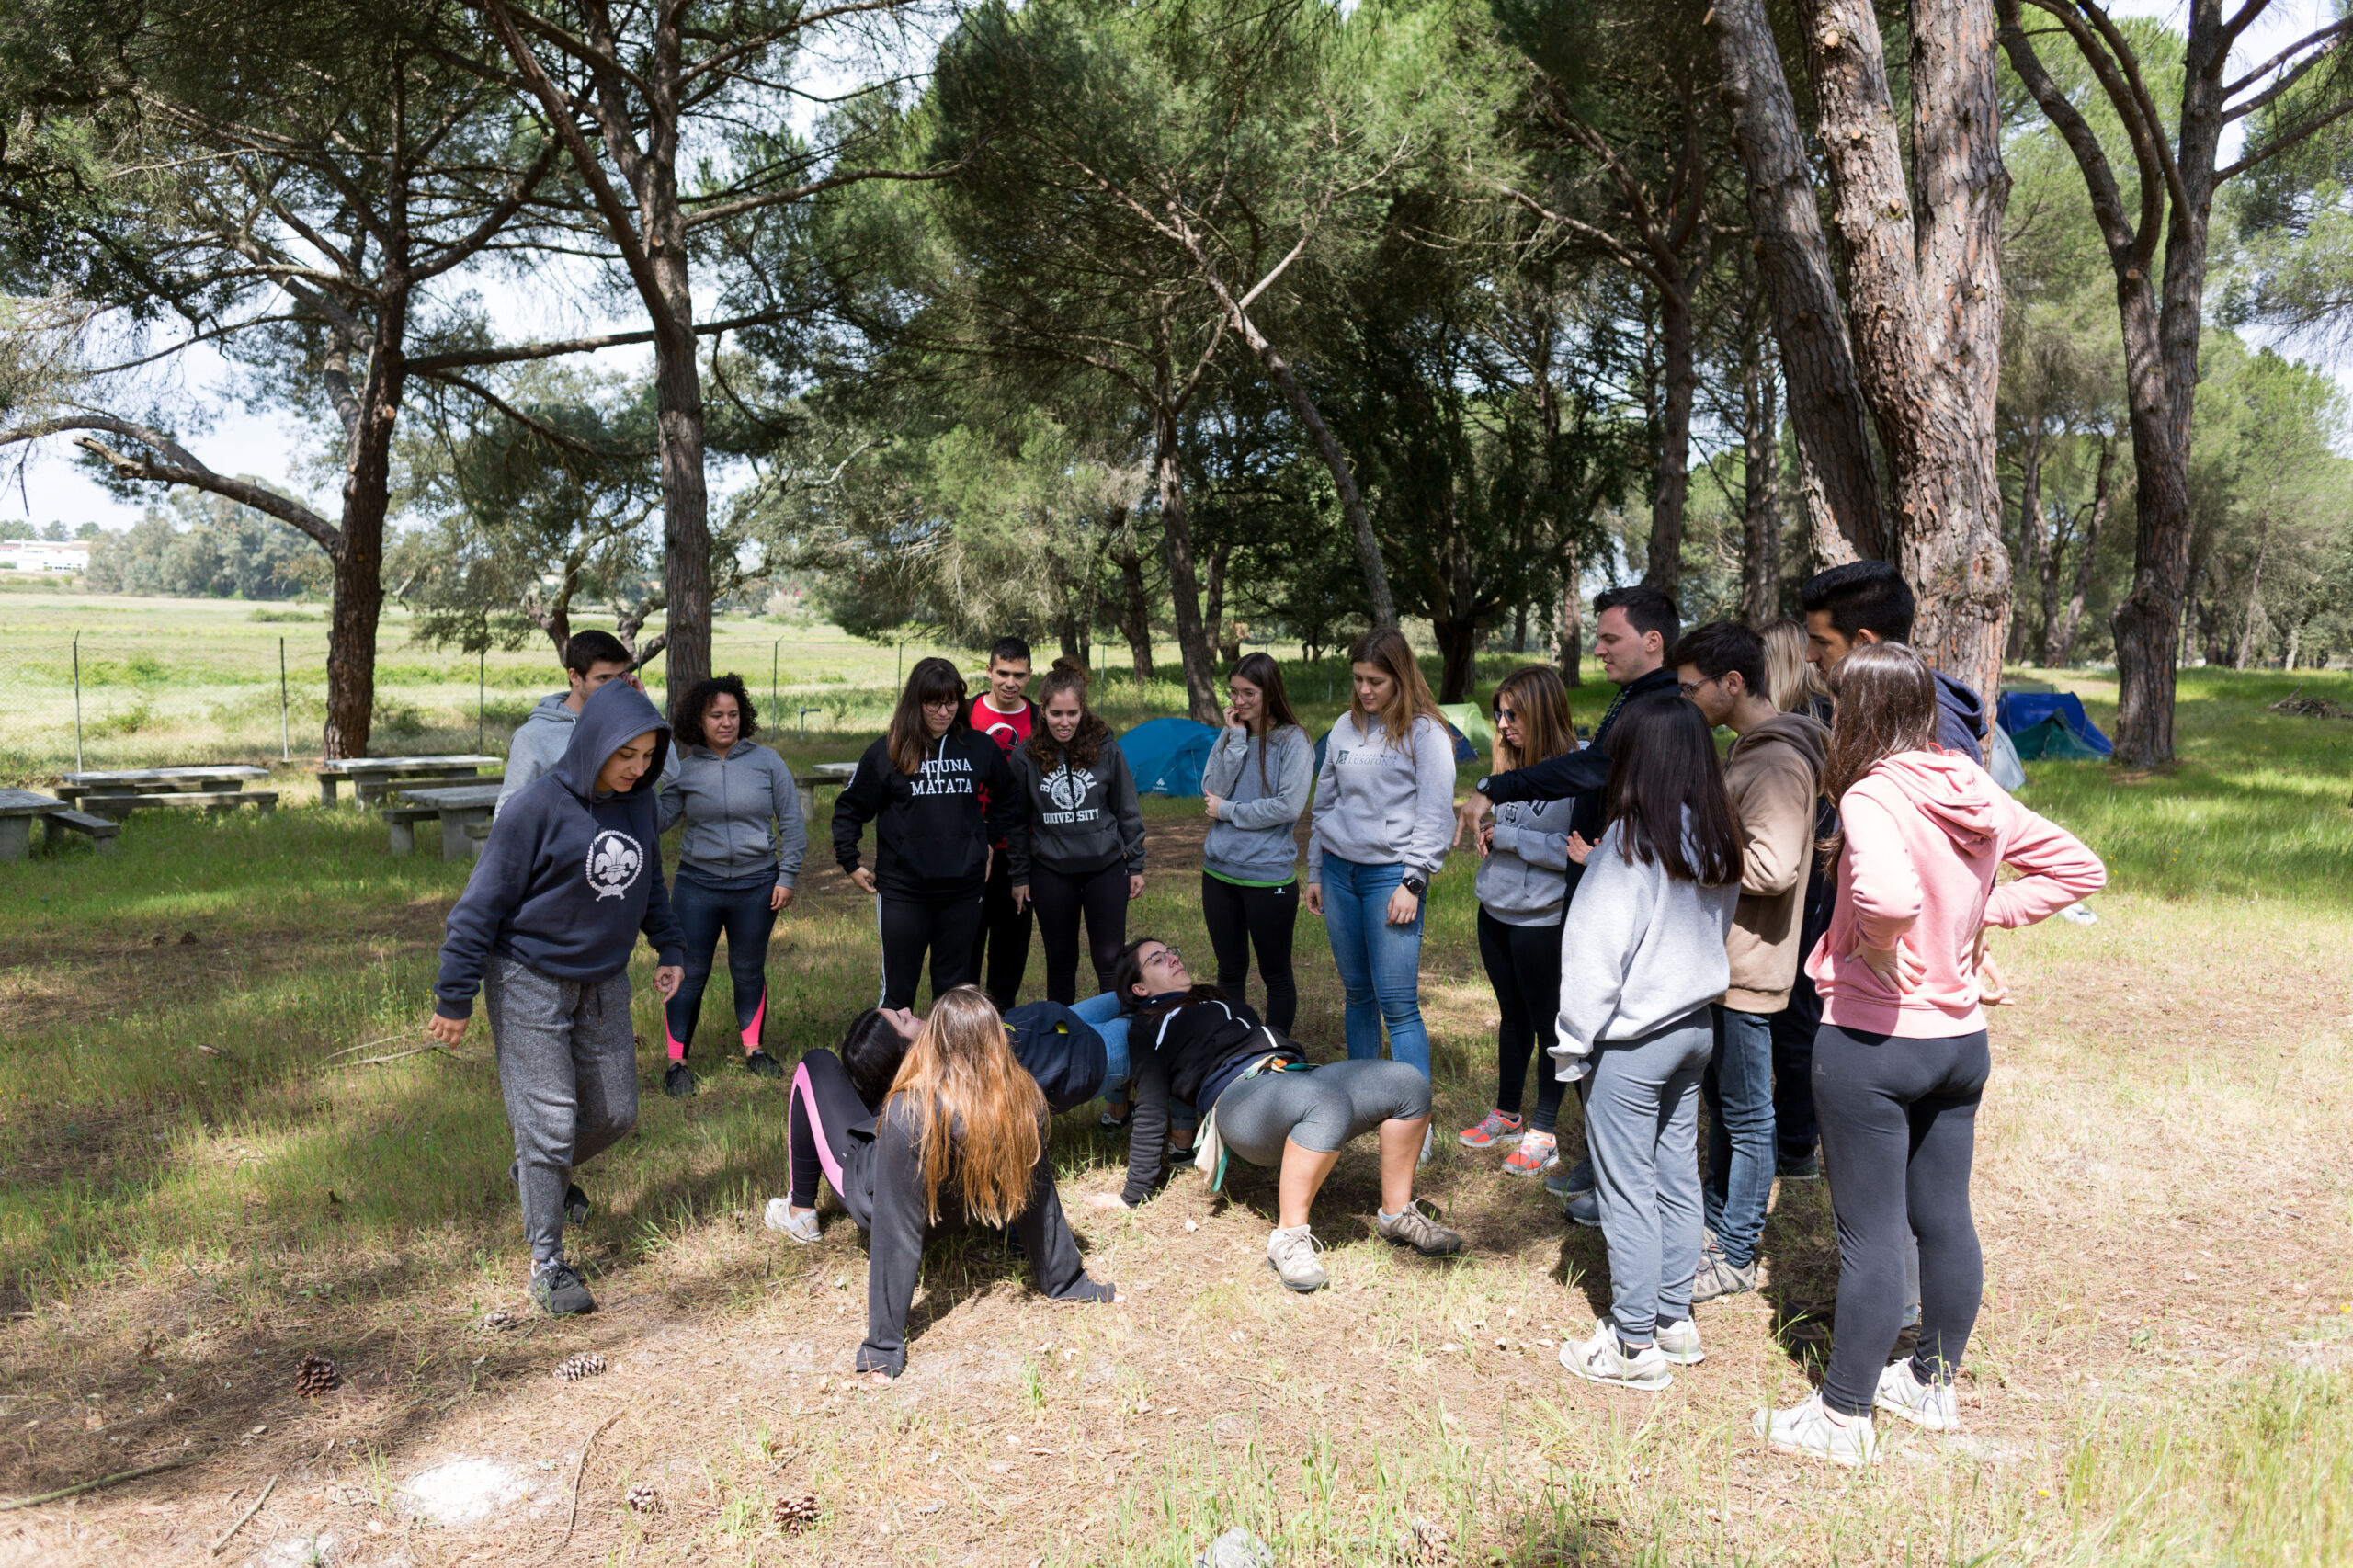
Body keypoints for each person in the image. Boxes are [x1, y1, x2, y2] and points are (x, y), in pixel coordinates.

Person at [1756, 644, 2104, 1465]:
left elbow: (1885, 895)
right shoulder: (1970, 782)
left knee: (1871, 1236)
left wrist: (1880, 939)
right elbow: (2077, 867)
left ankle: (1842, 1417)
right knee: (1944, 1219)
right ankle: (1931, 1384)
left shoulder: (1873, 793)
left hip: (1873, 1044)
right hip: (1960, 1044)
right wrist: (1986, 916)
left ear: (1859, 713)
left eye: (1838, 704)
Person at [428, 680, 686, 1317]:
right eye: (626, 755)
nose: (637, 768)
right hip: (528, 978)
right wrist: (454, 997)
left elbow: (648, 879)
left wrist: (671, 947)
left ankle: (537, 1175)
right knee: (547, 1124)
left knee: (618, 1113)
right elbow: (477, 909)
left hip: (603, 980)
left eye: (649, 756)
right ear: (595, 740)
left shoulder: (638, 805)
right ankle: (547, 1261)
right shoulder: (534, 809)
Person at [1449, 585, 1680, 1203]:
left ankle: (1565, 1142)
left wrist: (1504, 810)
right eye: (1498, 713)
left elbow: (1583, 806)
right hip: (1526, 905)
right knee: (1531, 1023)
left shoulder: (1629, 729)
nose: (1598, 650)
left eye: (1610, 639)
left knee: (1568, 1030)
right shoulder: (1632, 703)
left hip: (1565, 913)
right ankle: (1542, 1130)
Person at [769, 988, 1116, 1381]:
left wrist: (883, 1345)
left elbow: (895, 1231)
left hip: (869, 1191)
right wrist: (1066, 1282)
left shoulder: (908, 1113)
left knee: (816, 1063)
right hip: (936, 1200)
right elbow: (1039, 1199)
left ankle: (799, 1211)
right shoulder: (1023, 1097)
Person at [1549, 693, 1742, 1392]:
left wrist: (1572, 1044)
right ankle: (1672, 1318)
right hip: (1695, 1028)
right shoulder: (1716, 836)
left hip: (1632, 1043)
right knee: (1676, 1176)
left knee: (1626, 1187)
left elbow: (1594, 957)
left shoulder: (1627, 845)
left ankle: (1633, 1347)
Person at [1092, 937, 1463, 1291]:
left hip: (1293, 1071)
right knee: (1324, 1103)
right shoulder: (1148, 1027)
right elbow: (1153, 1104)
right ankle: (1288, 1239)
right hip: (1238, 1098)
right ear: (1139, 988)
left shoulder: (1208, 1000)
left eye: (1170, 952)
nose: (1173, 957)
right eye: (1157, 959)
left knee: (1407, 1082)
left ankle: (1396, 1215)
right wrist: (1132, 1194)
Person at [1672, 623, 1829, 1301]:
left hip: (1746, 968)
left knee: (1747, 1114)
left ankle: (1736, 1252)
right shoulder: (1752, 750)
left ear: (1731, 684)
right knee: (1725, 1106)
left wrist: (1683, 851)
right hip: (1724, 961)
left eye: (1689, 689)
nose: (1683, 701)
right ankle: (1715, 1225)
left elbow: (1771, 865)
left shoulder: (1772, 761)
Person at [1305, 630, 1454, 1090]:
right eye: (1358, 680)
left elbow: (1435, 811)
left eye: (1376, 681)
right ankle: (1361, 1100)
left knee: (1398, 1003)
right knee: (1357, 994)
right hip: (1337, 872)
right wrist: (1314, 869)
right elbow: (1324, 804)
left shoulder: (1426, 733)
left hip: (1391, 877)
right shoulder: (1343, 728)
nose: (1365, 690)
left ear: (1401, 678)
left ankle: (1414, 1118)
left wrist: (1414, 881)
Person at [833, 657, 1019, 1010]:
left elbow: (1007, 794)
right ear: (916, 702)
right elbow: (850, 807)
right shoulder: (888, 750)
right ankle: (889, 1063)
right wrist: (849, 861)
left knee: (953, 996)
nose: (943, 711)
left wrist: (990, 842)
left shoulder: (977, 747)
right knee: (899, 992)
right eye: (933, 702)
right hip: (904, 892)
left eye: (951, 702)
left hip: (963, 890)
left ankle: (948, 1064)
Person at [655, 675, 806, 1097]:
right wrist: (639, 779)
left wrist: (788, 876)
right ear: (698, 721)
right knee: (689, 971)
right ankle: (676, 1063)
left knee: (747, 969)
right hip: (696, 886)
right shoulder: (684, 771)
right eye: (716, 715)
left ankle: (755, 1051)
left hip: (757, 885)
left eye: (733, 714)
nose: (726, 723)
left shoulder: (768, 763)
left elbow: (792, 823)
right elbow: (658, 819)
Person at [1457, 666, 1579, 1176]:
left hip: (1541, 920)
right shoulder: (1507, 767)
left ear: (1543, 710)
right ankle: (1507, 1112)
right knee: (1511, 1016)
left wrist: (1508, 839)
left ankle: (1545, 1131)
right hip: (1496, 911)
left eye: (1514, 714)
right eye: (1499, 713)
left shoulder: (1579, 771)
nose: (1503, 724)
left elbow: (1575, 852)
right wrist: (1489, 833)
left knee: (1548, 1022)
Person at [1007, 665, 1146, 1005]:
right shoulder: (1024, 756)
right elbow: (1016, 822)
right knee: (1060, 962)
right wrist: (1020, 875)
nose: (1064, 722)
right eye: (1055, 713)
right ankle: (1062, 1036)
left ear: (1083, 710)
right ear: (1043, 711)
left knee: (1110, 962)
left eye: (1072, 713)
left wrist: (1137, 863)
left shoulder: (1107, 750)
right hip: (1051, 871)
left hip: (1106, 867)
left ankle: (1116, 1033)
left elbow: (1125, 808)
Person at [1199, 653, 1314, 1036]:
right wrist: (1234, 740)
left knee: (1275, 974)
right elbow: (1210, 791)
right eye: (1233, 692)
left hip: (1268, 878)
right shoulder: (1230, 732)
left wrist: (1229, 811)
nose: (1239, 701)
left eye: (1249, 693)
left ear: (1270, 693)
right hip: (1219, 873)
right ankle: (1235, 1049)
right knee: (1230, 971)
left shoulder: (1292, 741)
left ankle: (1275, 1053)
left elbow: (1287, 807)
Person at [1762, 616, 1835, 1179]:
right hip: (1805, 882)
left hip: (1811, 886)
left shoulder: (1808, 729)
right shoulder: (1798, 725)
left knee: (1796, 1013)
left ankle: (1795, 1144)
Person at [1799, 562, 1984, 762]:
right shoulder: (1888, 710)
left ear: (1865, 644)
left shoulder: (1933, 731)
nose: (1810, 656)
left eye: (1822, 642)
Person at [499, 630, 675, 807]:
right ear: (574, 676)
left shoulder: (627, 725)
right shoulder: (534, 736)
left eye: (620, 678)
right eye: (603, 678)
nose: (614, 687)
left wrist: (641, 701)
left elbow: (670, 772)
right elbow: (508, 808)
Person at [966, 638, 1038, 1008]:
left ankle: (1000, 1024)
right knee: (966, 947)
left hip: (1018, 854)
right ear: (989, 671)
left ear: (1029, 676)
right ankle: (962, 1025)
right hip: (969, 848)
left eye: (1019, 675)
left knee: (1010, 951)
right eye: (1003, 673)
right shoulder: (964, 714)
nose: (1010, 682)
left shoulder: (1039, 720)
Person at [1760, 619, 1829, 721]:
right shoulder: (1830, 702)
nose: (1753, 671)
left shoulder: (1809, 716)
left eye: (1758, 662)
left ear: (1778, 666)